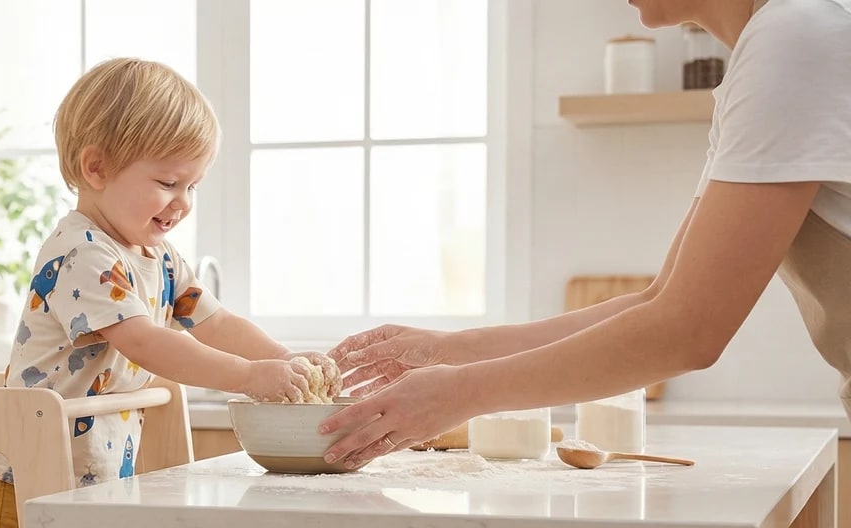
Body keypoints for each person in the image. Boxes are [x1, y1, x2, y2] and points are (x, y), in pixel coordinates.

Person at [318, 0, 851, 470]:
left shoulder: (793, 37)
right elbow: (659, 301)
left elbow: (687, 332)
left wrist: (460, 393)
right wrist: (453, 352)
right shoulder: (768, 53)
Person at [0, 57, 317, 528]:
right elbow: (146, 342)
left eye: (194, 186)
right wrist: (251, 378)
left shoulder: (160, 257)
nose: (183, 203)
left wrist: (286, 361)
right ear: (97, 168)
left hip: (97, 468)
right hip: (25, 466)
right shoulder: (80, 250)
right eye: (169, 182)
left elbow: (215, 321)